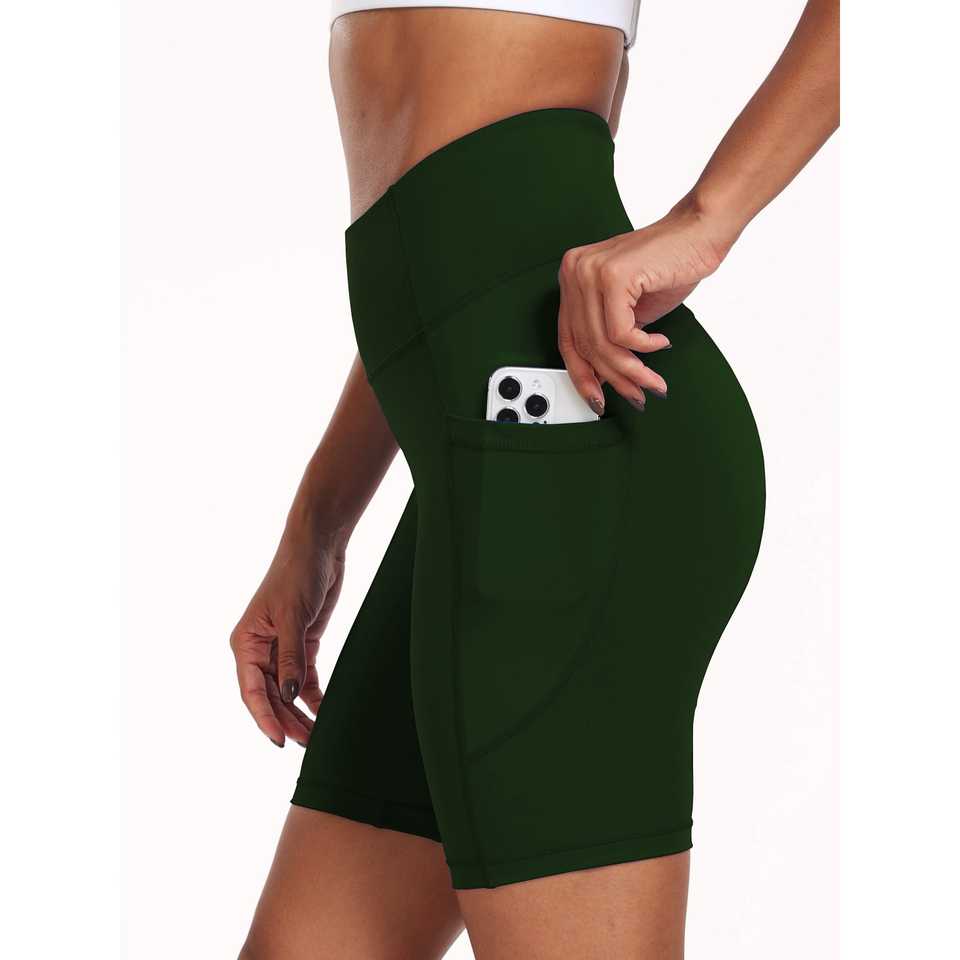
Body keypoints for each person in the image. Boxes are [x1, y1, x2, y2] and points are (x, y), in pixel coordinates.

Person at [230, 3, 839, 957]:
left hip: (580, 458)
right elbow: (435, 288)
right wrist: (318, 526)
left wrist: (707, 219)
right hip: (483, 472)